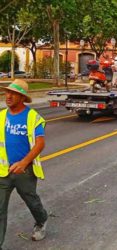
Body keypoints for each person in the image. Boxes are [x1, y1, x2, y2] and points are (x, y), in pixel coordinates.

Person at [0, 79, 48, 248]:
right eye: (7, 92)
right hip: (3, 171)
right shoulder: (1, 116)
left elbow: (40, 143)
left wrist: (24, 162)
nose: (8, 96)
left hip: (24, 171)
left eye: (14, 93)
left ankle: (41, 220)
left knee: (31, 200)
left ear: (22, 98)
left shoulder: (32, 117)